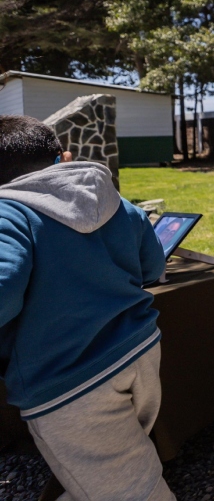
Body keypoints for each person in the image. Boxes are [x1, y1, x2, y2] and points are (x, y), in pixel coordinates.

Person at [0, 115, 173, 500]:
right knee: (118, 467)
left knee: (131, 490)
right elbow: (153, 266)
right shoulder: (114, 200)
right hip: (140, 350)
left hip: (71, 378)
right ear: (64, 156)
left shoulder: (8, 214)